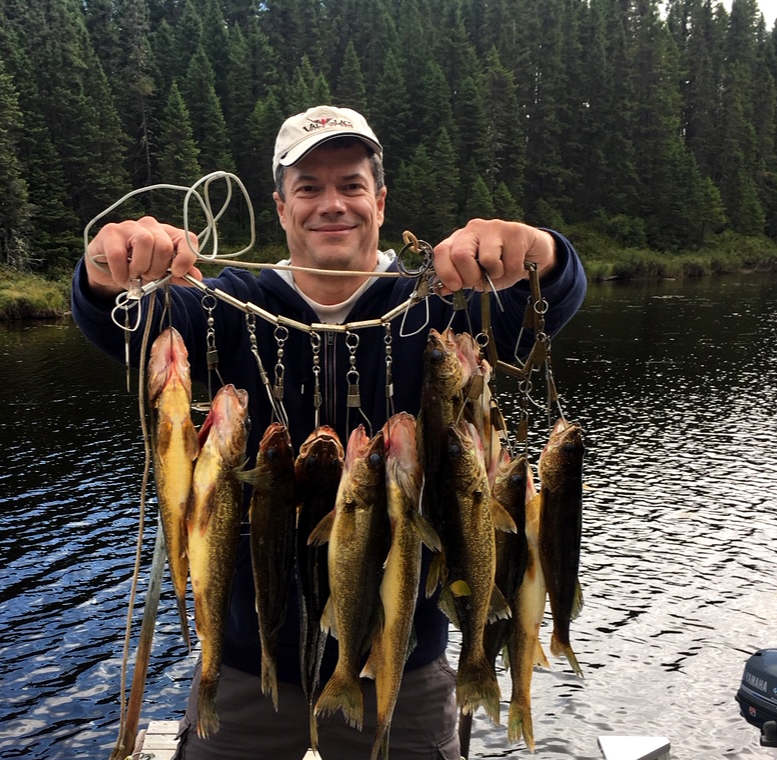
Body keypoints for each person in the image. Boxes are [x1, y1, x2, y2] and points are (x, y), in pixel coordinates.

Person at [73, 105, 587, 759]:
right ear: (281, 208)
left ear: (379, 198)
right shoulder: (226, 304)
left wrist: (538, 254)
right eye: (308, 188)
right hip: (250, 660)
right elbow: (120, 322)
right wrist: (104, 266)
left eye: (349, 184)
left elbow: (537, 310)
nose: (331, 204)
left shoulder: (437, 301)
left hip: (402, 656)